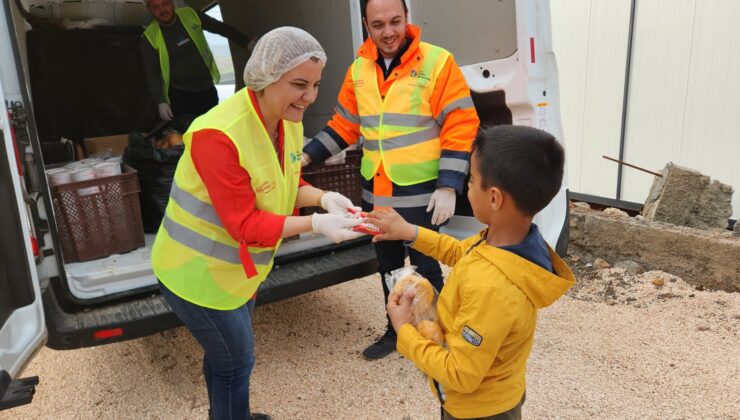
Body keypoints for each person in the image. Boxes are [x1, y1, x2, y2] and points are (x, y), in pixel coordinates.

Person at [150, 27, 365, 420]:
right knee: (236, 362)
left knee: (224, 359)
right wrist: (316, 224)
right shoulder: (218, 134)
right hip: (194, 275)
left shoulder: (287, 119)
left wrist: (321, 198)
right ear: (265, 78)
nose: (311, 97)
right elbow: (245, 225)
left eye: (316, 84)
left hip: (237, 272)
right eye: (299, 84)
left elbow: (284, 181)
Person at [301, 0, 480, 360]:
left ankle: (440, 335)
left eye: (395, 22)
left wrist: (449, 186)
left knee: (426, 265)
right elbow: (344, 125)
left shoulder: (437, 62)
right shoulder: (358, 70)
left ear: (407, 19)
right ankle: (397, 332)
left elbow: (461, 125)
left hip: (421, 191)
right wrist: (306, 157)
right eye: (378, 25)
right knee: (388, 265)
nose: (388, 32)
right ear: (367, 25)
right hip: (377, 191)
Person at [367, 125, 576, 419]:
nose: (467, 186)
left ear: (494, 198)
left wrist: (403, 329)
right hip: (497, 395)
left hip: (478, 411)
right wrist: (410, 232)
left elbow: (460, 375)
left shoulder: (492, 289)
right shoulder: (509, 243)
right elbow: (458, 252)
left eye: (471, 180)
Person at [141, 0, 252, 125]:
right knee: (188, 137)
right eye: (155, 7)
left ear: (172, 3)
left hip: (207, 89)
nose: (162, 10)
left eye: (165, 3)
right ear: (149, 10)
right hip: (180, 96)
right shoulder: (149, 37)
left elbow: (219, 27)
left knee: (213, 129)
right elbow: (152, 72)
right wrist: (160, 101)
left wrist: (247, 42)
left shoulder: (191, 14)